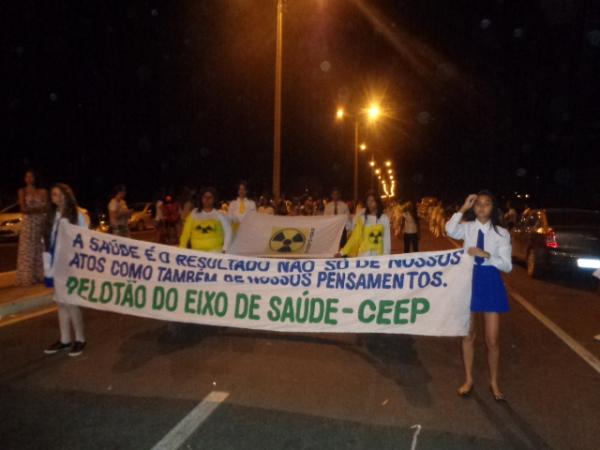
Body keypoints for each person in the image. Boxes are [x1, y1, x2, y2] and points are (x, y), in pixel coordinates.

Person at [445, 190, 512, 401]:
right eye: (478, 204)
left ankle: (493, 381)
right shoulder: (467, 228)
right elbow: (449, 229)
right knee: (468, 335)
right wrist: (463, 208)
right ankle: (469, 379)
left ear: (493, 208)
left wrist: (487, 255)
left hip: (490, 282)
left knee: (492, 339)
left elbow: (508, 266)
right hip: (468, 281)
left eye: (487, 204)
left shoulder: (502, 233)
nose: (482, 207)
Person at [43, 184, 88, 357]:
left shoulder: (77, 215)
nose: (56, 197)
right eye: (54, 194)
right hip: (55, 263)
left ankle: (80, 339)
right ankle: (65, 340)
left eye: (59, 194)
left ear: (67, 196)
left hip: (70, 263)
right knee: (61, 302)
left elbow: (84, 239)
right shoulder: (52, 215)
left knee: (71, 301)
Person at [16, 170, 48, 286]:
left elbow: (47, 207)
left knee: (40, 248)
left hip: (40, 223)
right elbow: (23, 209)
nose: (29, 178)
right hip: (29, 224)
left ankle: (41, 275)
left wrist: (33, 210)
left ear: (36, 178)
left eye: (31, 176)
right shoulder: (22, 191)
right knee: (27, 249)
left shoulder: (43, 191)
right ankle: (27, 277)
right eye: (27, 176)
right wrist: (38, 210)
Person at [336, 191, 391, 257]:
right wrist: (342, 252)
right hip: (364, 257)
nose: (370, 203)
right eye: (368, 200)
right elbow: (355, 237)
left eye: (372, 200)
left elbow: (387, 240)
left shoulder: (384, 218)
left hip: (379, 256)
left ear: (377, 202)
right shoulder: (362, 219)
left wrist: (386, 257)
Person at [179, 187, 232, 253]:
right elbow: (186, 233)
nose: (207, 199)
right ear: (201, 198)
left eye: (210, 197)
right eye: (205, 197)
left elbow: (228, 232)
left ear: (214, 199)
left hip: (215, 253)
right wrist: (181, 249)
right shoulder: (194, 213)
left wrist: (225, 249)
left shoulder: (220, 215)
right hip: (197, 254)